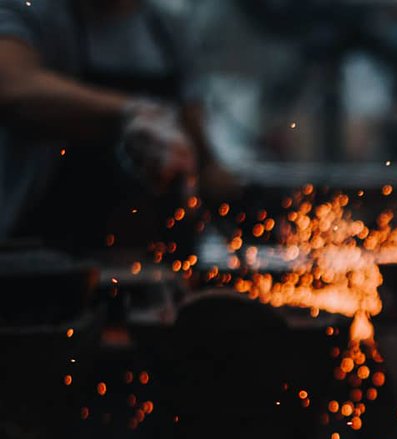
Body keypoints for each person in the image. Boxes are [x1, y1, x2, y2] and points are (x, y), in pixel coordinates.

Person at [0, 0, 235, 254]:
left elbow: (191, 123)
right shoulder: (32, 12)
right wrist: (130, 112)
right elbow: (12, 86)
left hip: (159, 252)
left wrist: (211, 169)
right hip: (50, 250)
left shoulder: (166, 26)